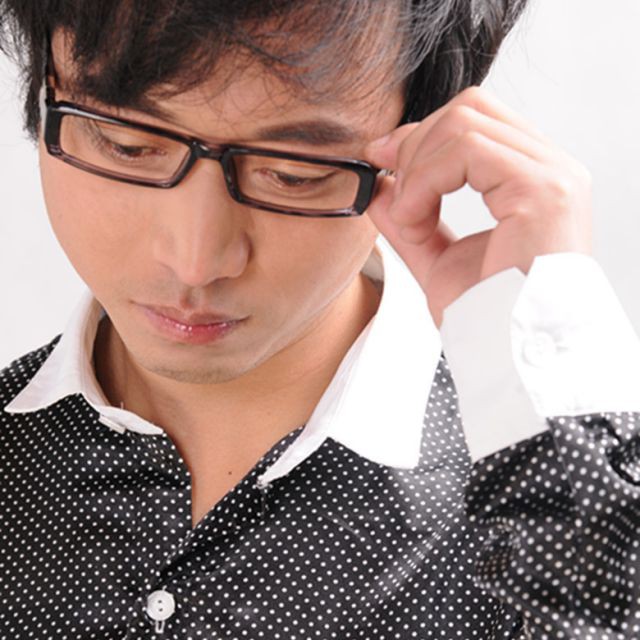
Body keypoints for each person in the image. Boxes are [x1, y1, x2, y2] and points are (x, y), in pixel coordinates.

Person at [1, 1, 638, 638]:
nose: (196, 262)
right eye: (127, 145)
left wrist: (555, 384)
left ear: (419, 139)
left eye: (294, 174)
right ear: (45, 89)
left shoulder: (546, 495)